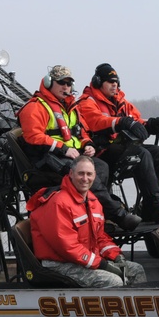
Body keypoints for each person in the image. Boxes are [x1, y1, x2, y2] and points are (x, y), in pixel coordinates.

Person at [17, 65, 141, 231]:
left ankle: (98, 214)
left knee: (100, 166)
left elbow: (81, 132)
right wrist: (62, 149)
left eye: (69, 84)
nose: (66, 87)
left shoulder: (71, 108)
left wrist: (87, 144)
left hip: (70, 157)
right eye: (61, 83)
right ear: (48, 83)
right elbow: (33, 136)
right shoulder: (35, 107)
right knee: (85, 174)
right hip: (48, 162)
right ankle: (117, 214)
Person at [27, 155, 147, 287]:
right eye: (81, 174)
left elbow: (100, 237)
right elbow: (67, 247)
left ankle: (131, 307)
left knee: (135, 270)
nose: (85, 179)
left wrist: (116, 256)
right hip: (59, 265)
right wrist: (103, 265)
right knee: (114, 281)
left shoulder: (93, 201)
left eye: (89, 174)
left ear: (95, 176)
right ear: (71, 174)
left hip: (83, 260)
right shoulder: (58, 203)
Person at [77, 63, 159, 222]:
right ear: (98, 82)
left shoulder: (121, 101)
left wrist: (151, 125)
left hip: (122, 149)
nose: (115, 85)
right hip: (102, 152)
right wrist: (121, 123)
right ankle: (155, 203)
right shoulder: (87, 102)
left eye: (117, 82)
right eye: (110, 81)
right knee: (141, 153)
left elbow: (136, 120)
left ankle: (150, 206)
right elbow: (96, 122)